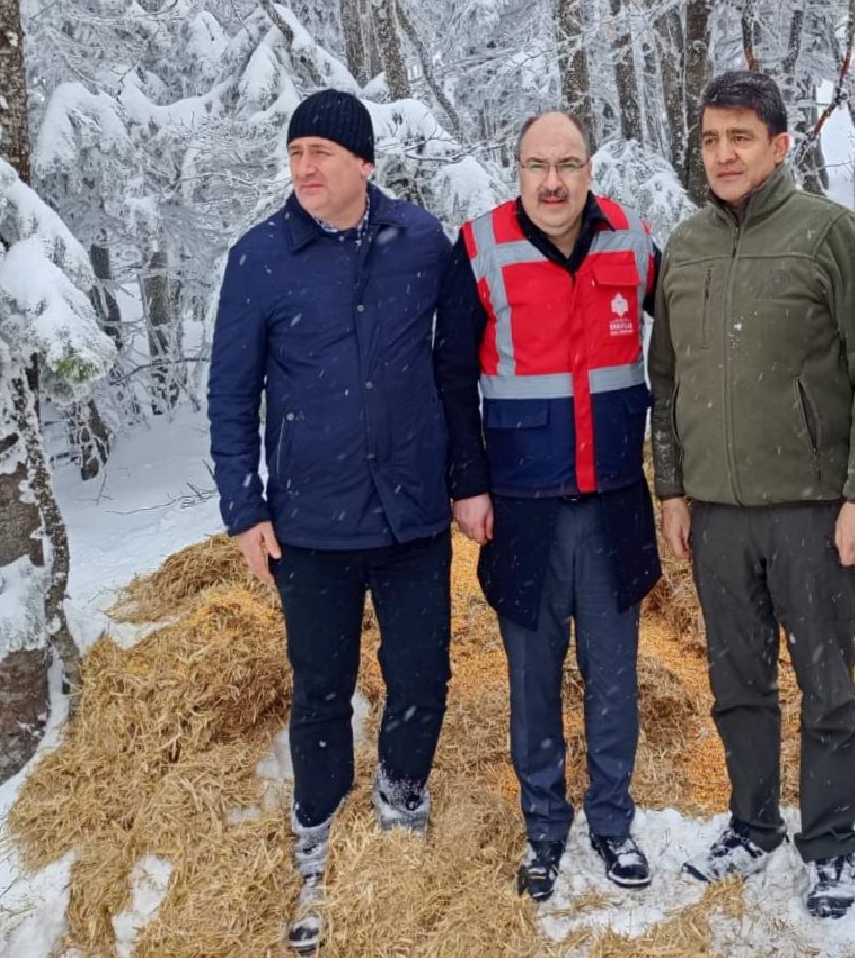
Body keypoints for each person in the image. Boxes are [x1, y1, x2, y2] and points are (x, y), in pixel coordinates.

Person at [207, 88, 454, 954]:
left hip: (413, 516)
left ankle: (400, 797)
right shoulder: (259, 258)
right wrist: (244, 508)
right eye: (295, 153)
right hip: (309, 525)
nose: (304, 169)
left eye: (322, 153)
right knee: (319, 689)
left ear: (364, 164)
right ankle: (316, 830)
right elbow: (231, 394)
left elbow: (456, 366)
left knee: (422, 677)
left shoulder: (422, 243)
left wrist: (464, 480)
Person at [649, 70, 855, 920]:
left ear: (779, 146)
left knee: (824, 681)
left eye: (740, 139)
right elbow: (666, 380)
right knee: (737, 680)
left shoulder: (827, 234)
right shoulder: (682, 247)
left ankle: (829, 842)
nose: (722, 154)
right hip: (715, 516)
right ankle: (752, 823)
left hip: (811, 511)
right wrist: (673, 490)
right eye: (711, 139)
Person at [434, 110, 661, 902]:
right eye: (538, 165)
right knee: (533, 679)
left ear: (590, 169)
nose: (554, 181)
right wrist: (466, 482)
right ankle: (543, 829)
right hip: (521, 509)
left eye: (568, 163)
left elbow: (688, 344)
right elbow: (452, 378)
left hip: (614, 505)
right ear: (517, 171)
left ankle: (611, 821)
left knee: (613, 677)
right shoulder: (479, 248)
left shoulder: (633, 243)